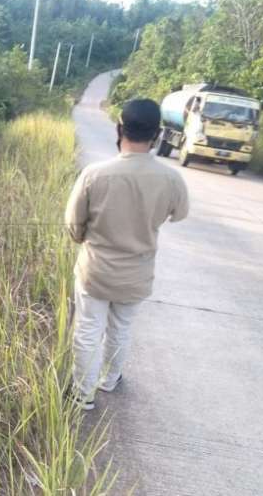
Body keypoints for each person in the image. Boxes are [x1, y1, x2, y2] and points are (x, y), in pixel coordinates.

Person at [64, 98, 189, 411]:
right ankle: (110, 379)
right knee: (121, 329)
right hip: (137, 274)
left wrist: (83, 237)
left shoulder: (95, 174)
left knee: (88, 330)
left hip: (95, 271)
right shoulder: (172, 179)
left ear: (119, 129)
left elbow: (73, 224)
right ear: (157, 134)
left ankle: (83, 395)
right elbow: (179, 214)